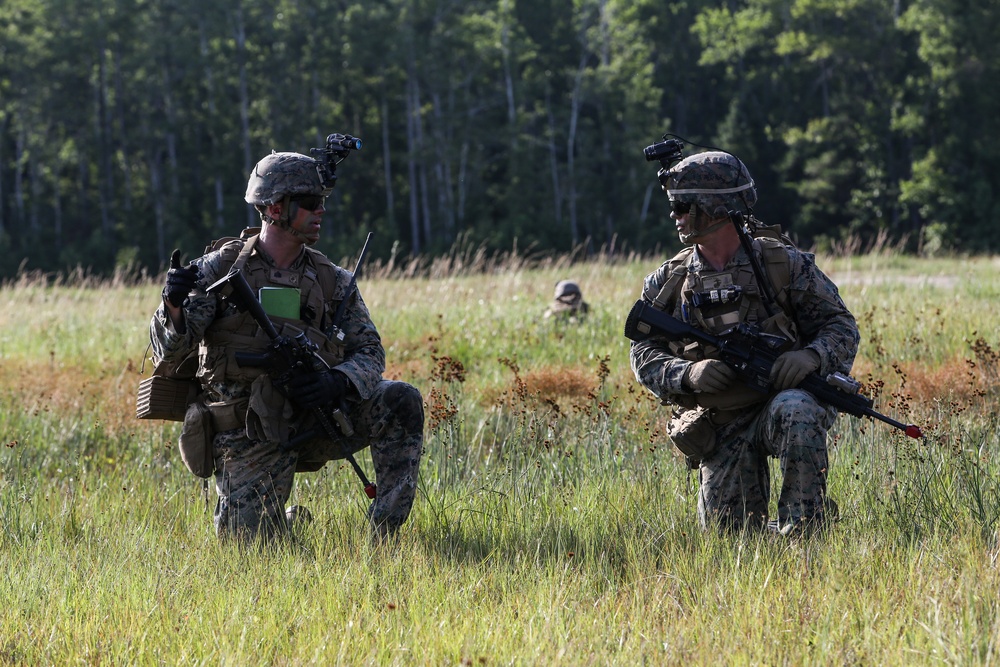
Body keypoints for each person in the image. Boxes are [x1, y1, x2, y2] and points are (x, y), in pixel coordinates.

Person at [149, 147, 424, 542]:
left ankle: (383, 538)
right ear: (275, 208)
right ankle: (286, 520)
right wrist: (173, 305)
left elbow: (370, 352)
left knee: (401, 398)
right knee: (253, 553)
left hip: (319, 415)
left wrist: (340, 381)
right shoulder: (219, 270)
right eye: (310, 203)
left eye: (322, 203)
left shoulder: (333, 280)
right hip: (249, 430)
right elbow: (169, 354)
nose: (320, 213)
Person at [629, 150, 859, 535]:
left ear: (716, 207)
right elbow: (642, 352)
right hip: (721, 423)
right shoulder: (670, 281)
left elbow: (841, 327)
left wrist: (811, 356)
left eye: (684, 205)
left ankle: (805, 531)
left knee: (797, 408)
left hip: (779, 404)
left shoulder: (783, 264)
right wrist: (688, 374)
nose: (676, 216)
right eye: (674, 206)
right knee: (729, 542)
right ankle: (767, 531)